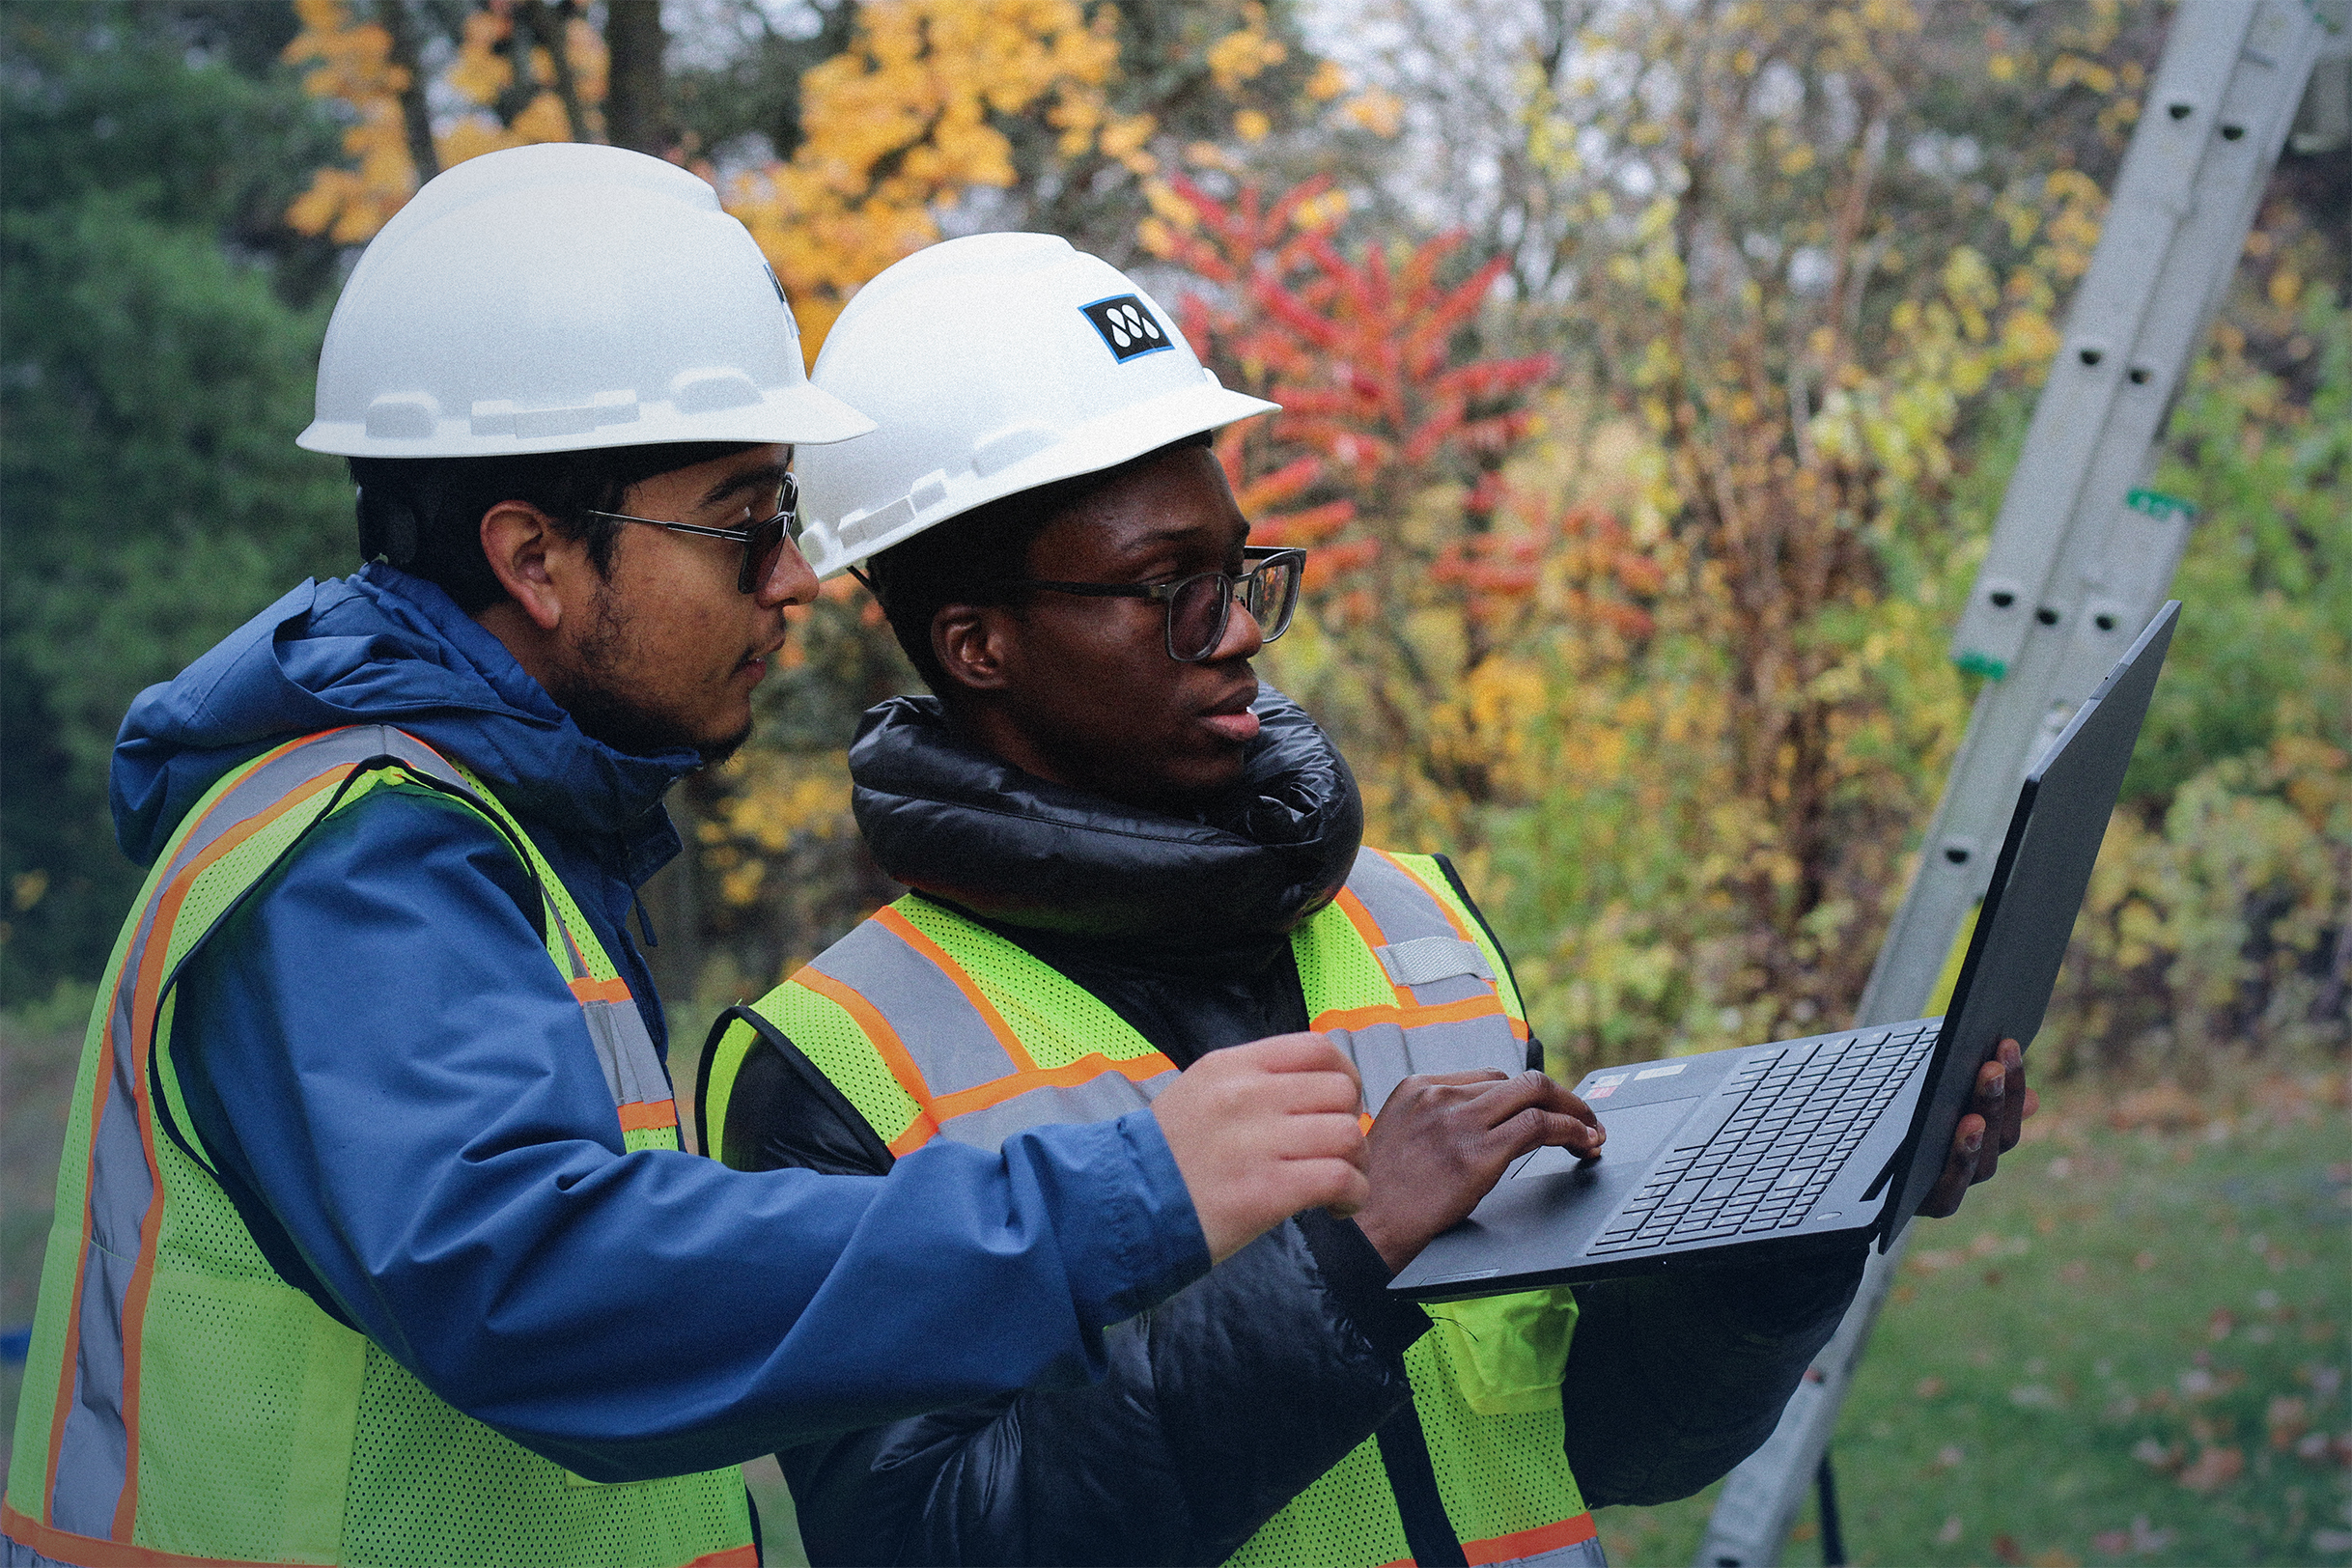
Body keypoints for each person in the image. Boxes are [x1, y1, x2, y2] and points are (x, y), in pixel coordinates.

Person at [2, 149, 1382, 1568]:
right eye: (746, 522)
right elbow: (539, 1288)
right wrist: (1128, 1198)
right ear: (535, 559)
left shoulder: (500, 836)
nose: (795, 576)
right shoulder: (354, 868)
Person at [700, 233, 2038, 1567]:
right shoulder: (830, 1068)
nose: (1237, 630)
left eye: (1238, 570)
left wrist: (1791, 1228)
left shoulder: (1421, 927)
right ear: (976, 644)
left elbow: (1608, 1443)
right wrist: (1342, 1268)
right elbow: (929, 1542)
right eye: (1168, 588)